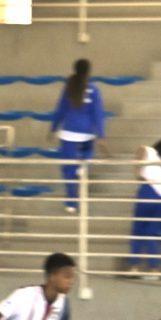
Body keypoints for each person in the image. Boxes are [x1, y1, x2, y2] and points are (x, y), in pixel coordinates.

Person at [51, 59, 107, 210]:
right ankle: (84, 166)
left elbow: (60, 110)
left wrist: (53, 128)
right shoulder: (94, 90)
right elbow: (97, 115)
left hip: (68, 133)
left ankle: (71, 204)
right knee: (88, 152)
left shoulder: (68, 88)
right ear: (89, 71)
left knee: (67, 169)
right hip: (87, 133)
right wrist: (101, 136)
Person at [130, 140, 161, 275]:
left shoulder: (153, 153)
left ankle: (135, 267)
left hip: (148, 192)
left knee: (137, 232)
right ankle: (154, 269)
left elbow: (141, 148)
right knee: (152, 234)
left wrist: (138, 170)